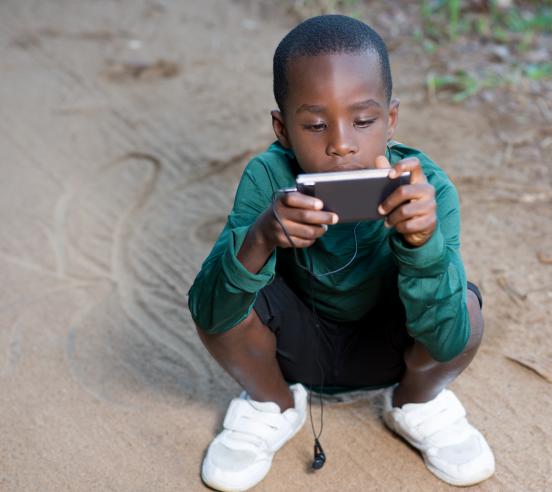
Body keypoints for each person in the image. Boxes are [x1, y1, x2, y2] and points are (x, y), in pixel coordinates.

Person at [187, 14, 495, 491]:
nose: (341, 144)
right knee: (231, 272)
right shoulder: (267, 179)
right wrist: (261, 237)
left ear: (390, 119)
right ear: (282, 129)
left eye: (364, 120)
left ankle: (416, 403)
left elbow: (451, 339)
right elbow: (208, 310)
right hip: (291, 353)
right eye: (314, 124)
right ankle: (272, 404)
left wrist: (422, 246)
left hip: (390, 345)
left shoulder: (427, 189)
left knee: (467, 310)